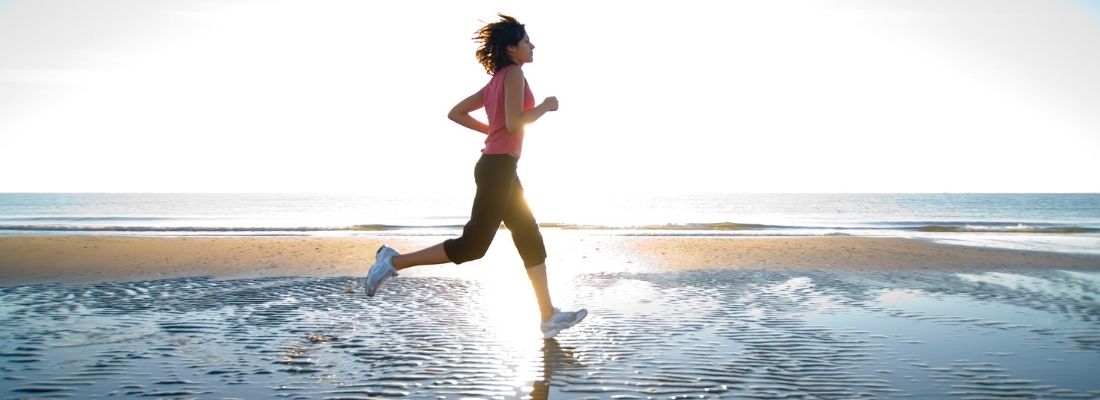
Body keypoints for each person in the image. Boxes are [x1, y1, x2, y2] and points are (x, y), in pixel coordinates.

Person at [363, 14, 587, 340]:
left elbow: (457, 113)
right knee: (473, 246)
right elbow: (514, 124)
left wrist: (491, 130)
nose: (532, 45)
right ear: (512, 48)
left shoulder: (496, 80)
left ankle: (548, 316)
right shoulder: (513, 75)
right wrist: (544, 107)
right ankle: (393, 261)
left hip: (501, 168)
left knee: (529, 237)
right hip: (497, 169)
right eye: (526, 41)